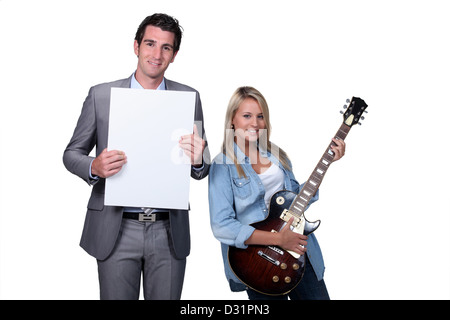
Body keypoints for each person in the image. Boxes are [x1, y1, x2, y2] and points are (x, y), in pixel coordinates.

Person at [63, 13, 210, 300]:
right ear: (136, 46)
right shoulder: (101, 96)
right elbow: (71, 154)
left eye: (166, 47)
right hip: (116, 229)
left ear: (174, 54)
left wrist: (198, 160)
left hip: (168, 230)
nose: (157, 54)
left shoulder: (189, 97)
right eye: (150, 44)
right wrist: (94, 165)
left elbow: (201, 167)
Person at [208, 86, 345, 300]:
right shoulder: (222, 165)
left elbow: (295, 202)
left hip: (299, 252)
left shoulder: (276, 155)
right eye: (247, 115)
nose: (255, 123)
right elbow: (222, 225)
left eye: (260, 116)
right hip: (258, 262)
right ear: (232, 120)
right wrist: (279, 239)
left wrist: (327, 163)